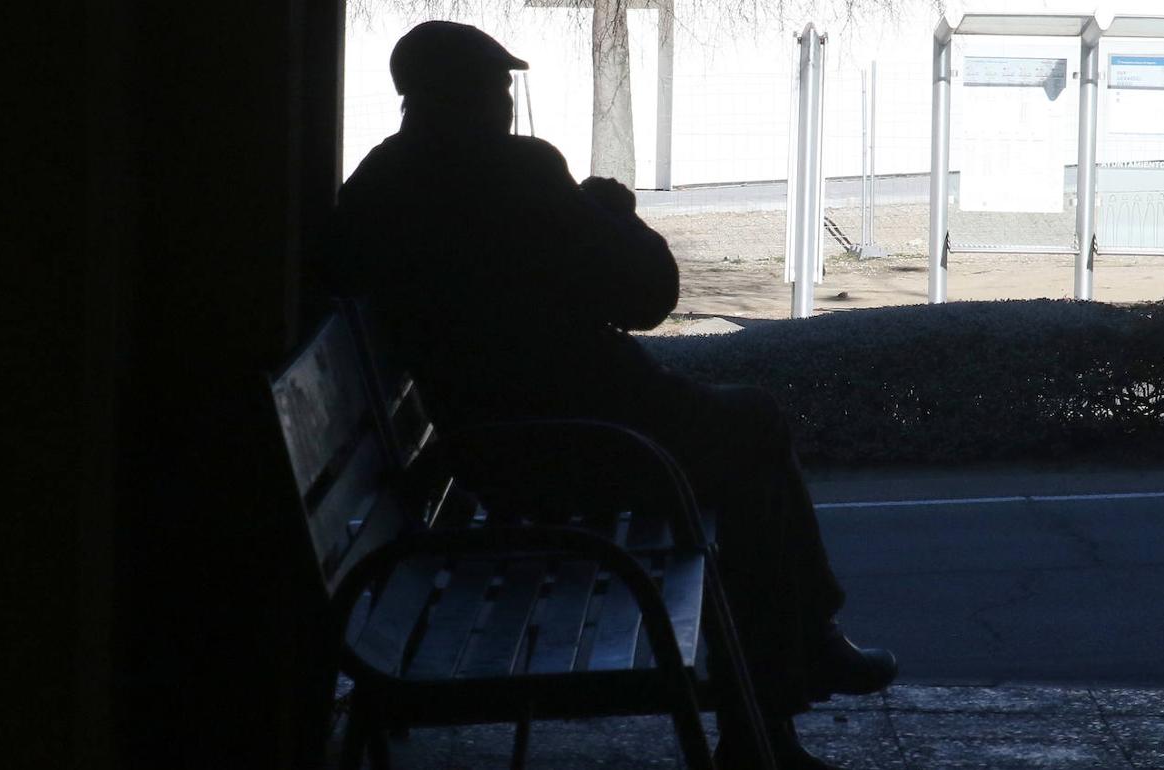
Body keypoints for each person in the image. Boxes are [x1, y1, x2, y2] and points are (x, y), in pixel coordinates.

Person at [330, 20, 897, 769]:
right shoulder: (519, 174)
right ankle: (776, 706)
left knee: (747, 443)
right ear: (468, 96)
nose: (506, 99)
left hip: (491, 452)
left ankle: (797, 671)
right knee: (754, 432)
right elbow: (647, 296)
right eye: (498, 86)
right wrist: (610, 213)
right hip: (583, 442)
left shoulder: (376, 189)